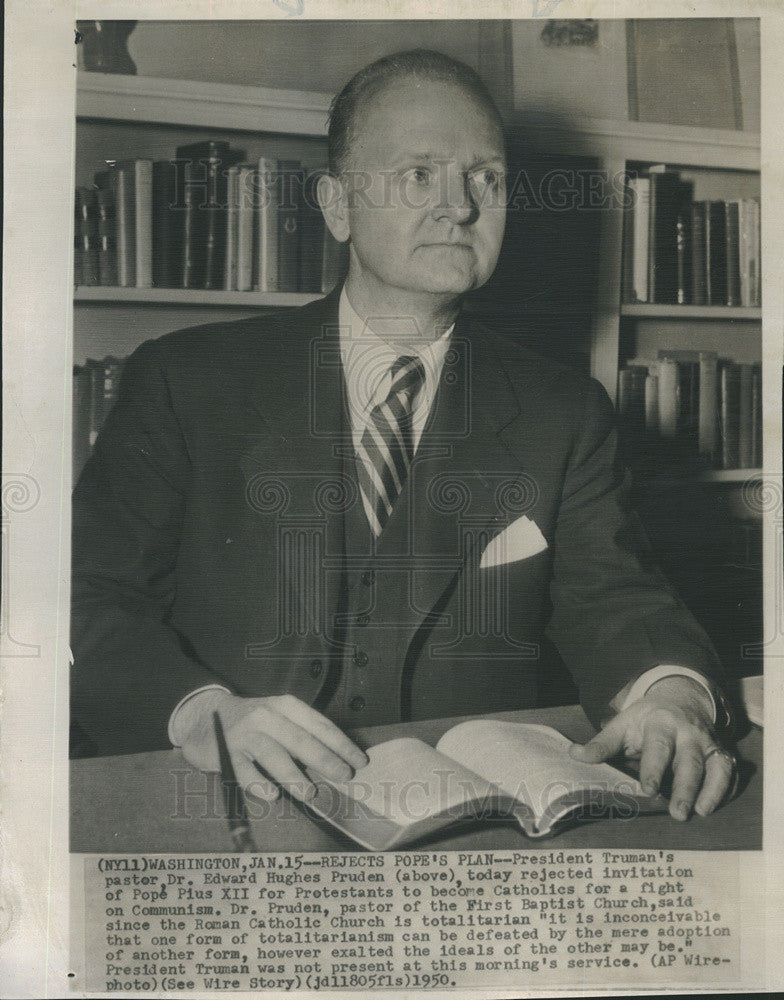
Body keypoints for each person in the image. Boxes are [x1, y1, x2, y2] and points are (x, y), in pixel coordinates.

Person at [72, 49, 736, 823]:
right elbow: (86, 597)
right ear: (337, 204)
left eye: (485, 178)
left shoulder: (565, 411)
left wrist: (670, 696)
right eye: (419, 175)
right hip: (228, 807)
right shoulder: (185, 380)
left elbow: (620, 603)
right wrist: (196, 711)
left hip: (465, 829)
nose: (459, 207)